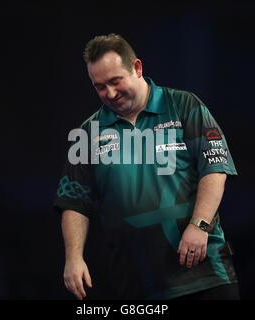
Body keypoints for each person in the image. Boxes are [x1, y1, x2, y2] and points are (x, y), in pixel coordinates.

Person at [53, 33, 240, 300]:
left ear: (137, 68)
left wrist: (199, 225)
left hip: (205, 277)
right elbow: (73, 201)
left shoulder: (184, 106)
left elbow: (215, 168)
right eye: (100, 87)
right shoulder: (88, 132)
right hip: (136, 285)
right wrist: (73, 258)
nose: (110, 93)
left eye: (116, 82)